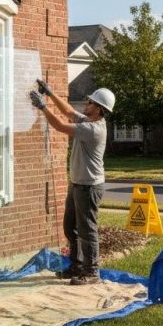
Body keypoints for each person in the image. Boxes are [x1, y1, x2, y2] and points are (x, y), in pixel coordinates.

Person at [30, 82, 115, 285]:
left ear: (99, 109)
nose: (87, 104)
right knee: (70, 227)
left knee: (87, 230)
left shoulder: (93, 129)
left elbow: (60, 126)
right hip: (78, 184)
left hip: (89, 187)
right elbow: (68, 112)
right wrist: (50, 93)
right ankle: (76, 266)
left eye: (91, 102)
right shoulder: (87, 120)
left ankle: (91, 272)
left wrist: (43, 106)